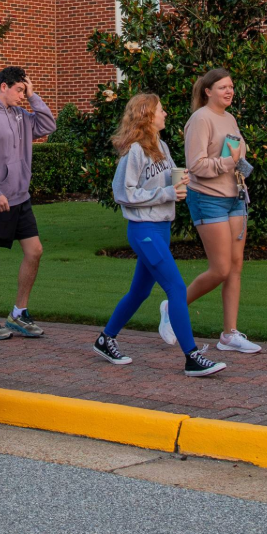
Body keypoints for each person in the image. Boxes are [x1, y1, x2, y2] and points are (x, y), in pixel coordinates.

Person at [94, 93, 228, 377]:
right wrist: (166, 192)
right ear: (147, 115)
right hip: (144, 231)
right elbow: (124, 193)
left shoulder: (162, 146)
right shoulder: (134, 152)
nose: (165, 113)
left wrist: (180, 181)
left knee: (140, 291)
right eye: (161, 110)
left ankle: (106, 339)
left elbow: (159, 183)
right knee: (177, 289)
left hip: (161, 227)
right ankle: (192, 357)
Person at [170, 68, 259, 354]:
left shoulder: (230, 119)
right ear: (208, 91)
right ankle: (173, 307)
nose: (229, 91)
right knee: (220, 268)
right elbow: (195, 165)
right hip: (208, 198)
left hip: (235, 197)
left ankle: (229, 334)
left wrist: (241, 166)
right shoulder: (200, 119)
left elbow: (236, 155)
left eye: (231, 87)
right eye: (223, 87)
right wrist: (227, 165)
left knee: (235, 267)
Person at [0, 65, 55, 340]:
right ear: (3, 86)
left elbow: (48, 126)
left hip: (20, 198)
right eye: (19, 89)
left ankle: (18, 313)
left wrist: (33, 96)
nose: (22, 95)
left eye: (24, 90)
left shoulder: (21, 115)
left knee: (35, 251)